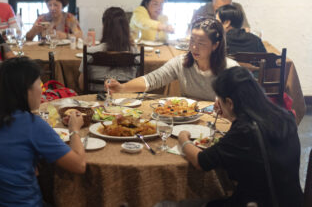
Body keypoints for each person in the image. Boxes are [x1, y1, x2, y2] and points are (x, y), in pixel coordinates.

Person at [0, 57, 86, 205]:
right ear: (25, 90)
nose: (41, 90)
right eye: (39, 84)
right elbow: (79, 165)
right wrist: (74, 129)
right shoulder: (32, 125)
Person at [178, 66, 302, 207]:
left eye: (221, 100)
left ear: (230, 103)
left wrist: (183, 138)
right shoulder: (285, 115)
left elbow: (201, 161)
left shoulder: (244, 131)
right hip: (292, 200)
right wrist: (232, 113)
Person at [106, 18, 239, 101]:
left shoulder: (231, 69)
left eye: (201, 43)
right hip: (186, 120)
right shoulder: (181, 63)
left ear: (215, 45)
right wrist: (122, 87)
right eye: (192, 40)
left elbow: (244, 104)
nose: (194, 47)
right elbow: (152, 79)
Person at [78, 7, 139, 91]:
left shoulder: (90, 52)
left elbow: (82, 85)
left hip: (96, 100)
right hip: (126, 100)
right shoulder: (135, 53)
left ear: (104, 26)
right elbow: (138, 83)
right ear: (126, 26)